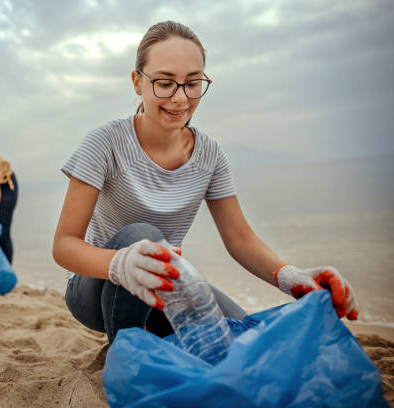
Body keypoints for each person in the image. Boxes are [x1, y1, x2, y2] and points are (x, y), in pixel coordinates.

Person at [52, 20, 358, 344]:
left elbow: (239, 238)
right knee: (144, 237)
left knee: (250, 339)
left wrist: (290, 276)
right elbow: (64, 245)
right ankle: (126, 353)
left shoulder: (209, 155)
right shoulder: (104, 142)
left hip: (164, 285)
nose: (180, 98)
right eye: (165, 83)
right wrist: (120, 263)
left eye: (192, 83)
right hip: (95, 288)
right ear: (136, 82)